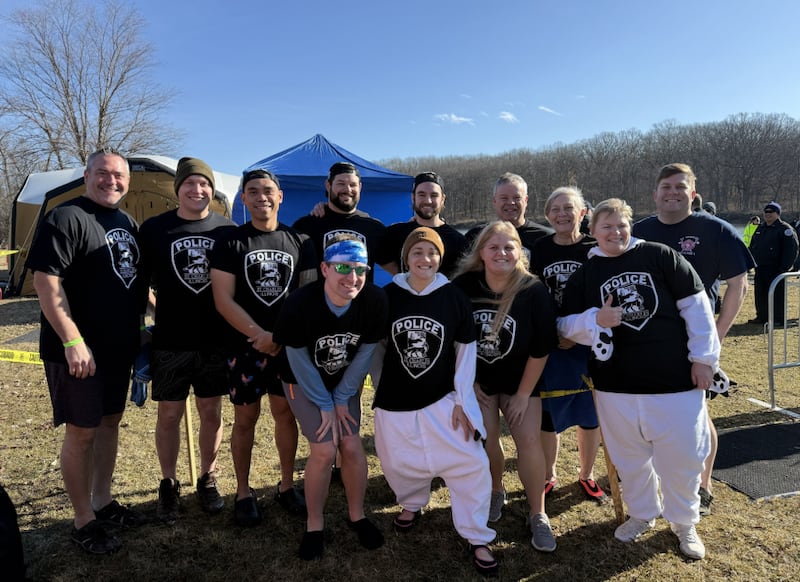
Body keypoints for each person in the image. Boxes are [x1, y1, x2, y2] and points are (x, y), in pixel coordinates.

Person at [559, 198, 719, 560]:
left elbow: (697, 306)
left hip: (673, 382)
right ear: (592, 230)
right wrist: (594, 321)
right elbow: (563, 327)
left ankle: (683, 521)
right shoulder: (585, 274)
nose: (615, 232)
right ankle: (642, 512)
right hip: (615, 386)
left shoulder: (660, 256)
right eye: (607, 226)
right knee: (629, 459)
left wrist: (704, 359)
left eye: (621, 225)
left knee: (681, 458)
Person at [28, 148, 146, 554]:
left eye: (119, 176)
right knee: (82, 433)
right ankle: (82, 521)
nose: (111, 181)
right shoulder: (64, 217)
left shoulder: (127, 223)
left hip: (119, 349)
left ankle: (103, 501)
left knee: (110, 422)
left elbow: (134, 280)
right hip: (78, 353)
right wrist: (72, 340)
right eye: (103, 173)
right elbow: (47, 281)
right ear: (86, 174)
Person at [372, 227, 499, 576]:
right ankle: (412, 503)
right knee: (399, 461)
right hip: (395, 400)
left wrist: (462, 399)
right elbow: (377, 348)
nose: (424, 259)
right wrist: (381, 389)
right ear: (406, 258)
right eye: (417, 253)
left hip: (443, 398)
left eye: (431, 253)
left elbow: (466, 352)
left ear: (439, 258)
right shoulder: (388, 295)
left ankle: (476, 534)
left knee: (470, 463)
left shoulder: (453, 296)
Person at [633, 162, 755, 515]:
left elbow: (739, 284)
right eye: (666, 187)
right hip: (648, 341)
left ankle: (703, 486)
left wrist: (714, 339)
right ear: (655, 194)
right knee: (651, 416)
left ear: (693, 194)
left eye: (680, 187)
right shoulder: (639, 231)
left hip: (695, 343)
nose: (673, 193)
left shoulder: (715, 230)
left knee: (697, 416)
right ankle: (655, 483)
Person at [210, 169, 317, 526]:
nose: (261, 197)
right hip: (244, 347)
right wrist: (259, 335)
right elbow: (223, 300)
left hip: (287, 348)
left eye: (268, 191)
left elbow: (308, 298)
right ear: (243, 199)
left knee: (285, 415)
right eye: (252, 192)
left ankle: (286, 486)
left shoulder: (300, 241)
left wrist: (280, 338)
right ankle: (243, 491)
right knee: (245, 419)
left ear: (280, 196)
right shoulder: (230, 242)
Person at [273, 236, 387, 560]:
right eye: (342, 268)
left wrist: (341, 397)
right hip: (301, 379)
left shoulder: (374, 300)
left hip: (342, 383)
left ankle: (357, 515)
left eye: (360, 269)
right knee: (324, 448)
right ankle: (314, 524)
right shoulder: (299, 303)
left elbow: (365, 352)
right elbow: (297, 359)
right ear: (324, 268)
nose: (352, 278)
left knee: (351, 444)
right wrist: (325, 403)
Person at [138, 157, 236, 522]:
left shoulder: (227, 230)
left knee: (211, 411)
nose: (197, 190)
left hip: (214, 341)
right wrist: (155, 311)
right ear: (177, 189)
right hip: (170, 342)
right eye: (190, 184)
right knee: (169, 414)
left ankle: (207, 477)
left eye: (204, 184)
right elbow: (139, 283)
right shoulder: (154, 230)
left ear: (212, 190)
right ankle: (168, 483)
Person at [453, 221, 559, 552]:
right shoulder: (464, 285)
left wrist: (524, 394)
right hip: (481, 382)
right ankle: (496, 489)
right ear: (481, 252)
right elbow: (454, 339)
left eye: (509, 247)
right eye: (494, 247)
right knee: (487, 438)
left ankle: (538, 513)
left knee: (528, 441)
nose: (502, 253)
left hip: (521, 381)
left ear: (520, 252)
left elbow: (541, 347)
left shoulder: (532, 289)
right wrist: (468, 381)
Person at [530, 187, 606, 504]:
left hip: (588, 342)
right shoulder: (539, 248)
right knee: (550, 415)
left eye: (568, 208)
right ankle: (548, 475)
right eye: (555, 209)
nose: (562, 214)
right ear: (548, 215)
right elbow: (532, 295)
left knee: (590, 414)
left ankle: (586, 475)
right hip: (551, 341)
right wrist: (552, 333)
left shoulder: (595, 246)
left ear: (582, 212)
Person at [293, 162, 392, 282]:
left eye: (353, 185)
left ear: (360, 187)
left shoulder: (373, 227)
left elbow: (397, 269)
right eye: (341, 184)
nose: (348, 189)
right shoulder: (306, 225)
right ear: (328, 185)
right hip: (318, 300)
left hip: (360, 299)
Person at [382, 172, 469, 278]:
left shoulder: (458, 241)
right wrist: (404, 277)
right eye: (422, 195)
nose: (428, 201)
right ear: (413, 198)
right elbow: (382, 258)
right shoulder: (395, 233)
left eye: (434, 195)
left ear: (442, 199)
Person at [465, 172, 554, 260]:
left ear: (526, 200)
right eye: (504, 198)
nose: (511, 202)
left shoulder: (546, 238)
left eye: (517, 198)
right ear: (494, 201)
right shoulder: (476, 236)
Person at [748, 201, 799, 325]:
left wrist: (783, 268)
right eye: (766, 212)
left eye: (771, 212)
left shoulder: (785, 230)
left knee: (777, 295)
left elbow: (791, 250)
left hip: (776, 269)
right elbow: (753, 246)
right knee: (760, 294)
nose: (767, 214)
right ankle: (762, 317)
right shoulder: (761, 228)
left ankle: (778, 319)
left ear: (777, 214)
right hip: (760, 268)